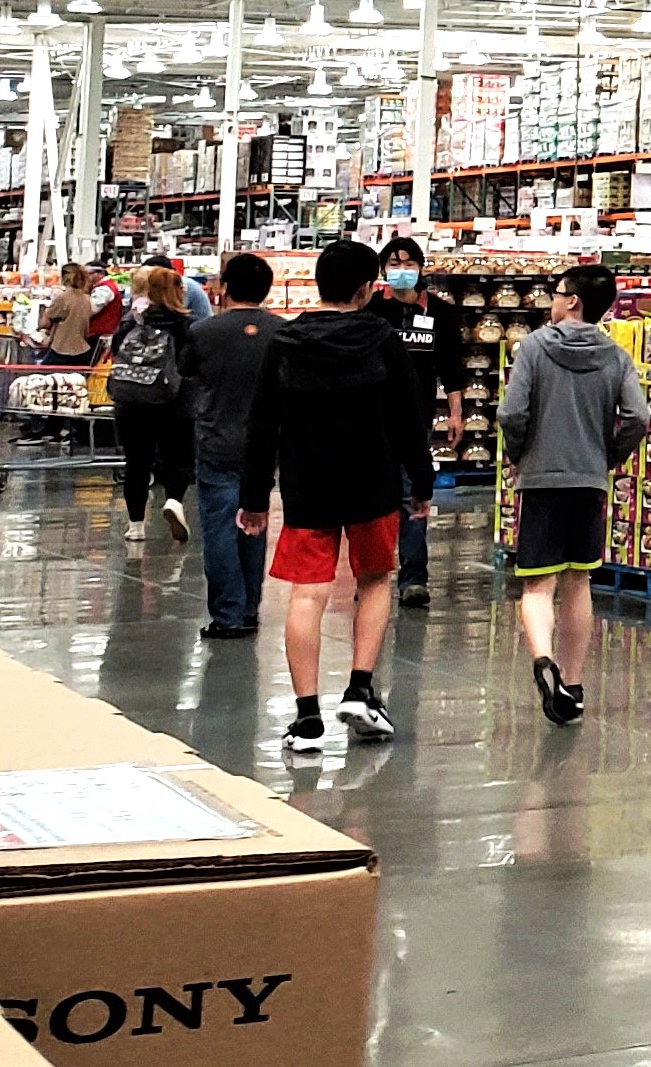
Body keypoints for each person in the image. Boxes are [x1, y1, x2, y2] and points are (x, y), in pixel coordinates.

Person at [240, 240, 431, 754]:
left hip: (308, 484)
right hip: (374, 481)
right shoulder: (384, 340)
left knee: (307, 595)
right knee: (373, 580)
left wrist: (254, 497)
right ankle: (360, 689)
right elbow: (409, 417)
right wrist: (422, 481)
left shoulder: (285, 342)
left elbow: (262, 426)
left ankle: (306, 720)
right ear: (368, 288)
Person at [499, 264, 646, 725]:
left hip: (541, 479)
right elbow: (639, 416)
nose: (552, 301)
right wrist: (607, 457)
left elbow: (511, 412)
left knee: (537, 584)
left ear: (573, 302)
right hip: (588, 480)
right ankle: (575, 684)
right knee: (579, 581)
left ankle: (544, 662)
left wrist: (520, 454)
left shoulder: (534, 348)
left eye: (556, 293)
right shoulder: (617, 355)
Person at [367, 236, 470, 609]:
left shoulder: (441, 313)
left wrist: (455, 413)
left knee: (414, 494)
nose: (402, 270)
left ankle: (413, 578)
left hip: (416, 419)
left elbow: (451, 367)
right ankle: (372, 572)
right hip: (372, 419)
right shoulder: (373, 310)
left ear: (421, 267)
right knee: (375, 498)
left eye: (409, 263)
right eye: (394, 263)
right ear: (383, 270)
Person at [185, 253, 284, 640]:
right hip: (264, 447)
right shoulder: (282, 331)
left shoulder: (204, 331)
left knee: (220, 530)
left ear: (225, 287)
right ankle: (248, 608)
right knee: (255, 524)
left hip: (217, 442)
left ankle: (227, 613)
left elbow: (188, 371)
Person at [102, 266, 196, 548]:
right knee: (176, 459)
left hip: (131, 400)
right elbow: (191, 363)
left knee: (137, 464)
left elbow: (116, 349)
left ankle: (135, 526)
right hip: (173, 401)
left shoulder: (131, 320)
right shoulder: (185, 325)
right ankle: (173, 502)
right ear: (177, 291)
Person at [33, 261, 97, 367]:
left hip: (62, 350)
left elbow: (44, 323)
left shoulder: (62, 298)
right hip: (83, 350)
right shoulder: (87, 298)